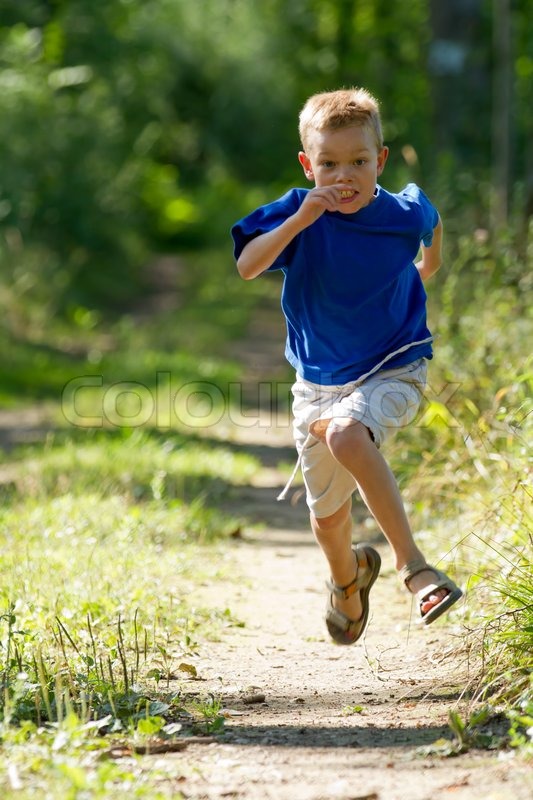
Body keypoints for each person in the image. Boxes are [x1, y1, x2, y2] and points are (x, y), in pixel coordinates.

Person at [231, 87, 462, 645]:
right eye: (329, 164)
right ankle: (347, 579)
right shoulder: (297, 211)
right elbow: (246, 265)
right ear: (308, 165)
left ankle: (415, 569)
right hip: (318, 381)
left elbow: (429, 226)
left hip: (395, 363)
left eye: (359, 162)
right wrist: (300, 220)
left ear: (380, 160)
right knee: (327, 518)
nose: (345, 176)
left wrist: (425, 271)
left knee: (346, 434)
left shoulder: (400, 211)